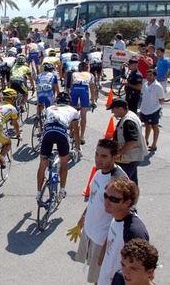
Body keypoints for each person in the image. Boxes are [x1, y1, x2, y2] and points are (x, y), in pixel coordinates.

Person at [69, 139, 128, 284]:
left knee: (99, 278)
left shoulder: (118, 180)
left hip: (101, 239)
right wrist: (82, 220)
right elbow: (93, 199)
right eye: (97, 154)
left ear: (114, 157)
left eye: (103, 156)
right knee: (94, 272)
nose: (98, 159)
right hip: (90, 232)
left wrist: (108, 245)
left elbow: (123, 213)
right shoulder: (99, 172)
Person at [98, 178, 149, 285]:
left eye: (114, 199)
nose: (107, 201)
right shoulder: (116, 216)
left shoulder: (134, 232)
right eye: (105, 196)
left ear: (127, 203)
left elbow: (141, 271)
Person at [36, 92, 80, 201]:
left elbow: (44, 121)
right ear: (68, 102)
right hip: (61, 134)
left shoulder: (50, 108)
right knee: (64, 163)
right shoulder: (73, 111)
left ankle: (38, 193)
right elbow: (76, 131)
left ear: (57, 101)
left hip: (48, 133)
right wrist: (77, 147)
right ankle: (62, 190)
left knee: (43, 164)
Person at [108, 98, 147, 185]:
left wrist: (119, 153)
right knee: (132, 182)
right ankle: (133, 196)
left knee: (122, 185)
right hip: (132, 158)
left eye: (113, 109)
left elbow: (132, 142)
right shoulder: (131, 115)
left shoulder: (128, 122)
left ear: (121, 109)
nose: (112, 112)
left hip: (128, 159)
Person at [70, 61, 96, 144]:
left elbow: (71, 86)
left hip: (75, 89)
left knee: (72, 113)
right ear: (87, 68)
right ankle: (82, 137)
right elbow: (92, 89)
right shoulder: (90, 75)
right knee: (83, 115)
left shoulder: (74, 74)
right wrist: (93, 101)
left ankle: (71, 132)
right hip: (84, 90)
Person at [140, 69, 165, 151]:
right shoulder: (145, 84)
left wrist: (157, 107)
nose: (148, 77)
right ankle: (145, 141)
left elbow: (161, 100)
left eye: (150, 75)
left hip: (153, 110)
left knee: (155, 127)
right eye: (147, 75)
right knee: (147, 125)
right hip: (145, 110)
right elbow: (143, 94)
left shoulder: (158, 86)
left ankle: (154, 144)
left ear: (154, 76)